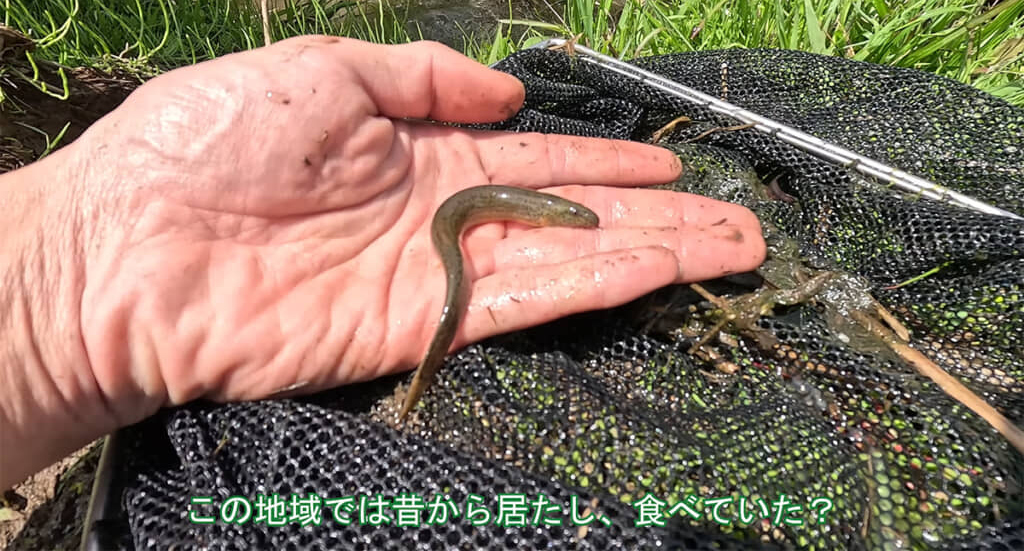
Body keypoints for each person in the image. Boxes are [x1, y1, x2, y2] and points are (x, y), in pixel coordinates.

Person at [0, 36, 766, 490]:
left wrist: (67, 276)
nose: (567, 216)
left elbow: (517, 210)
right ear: (543, 212)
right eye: (566, 212)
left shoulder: (516, 206)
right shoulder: (496, 212)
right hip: (456, 219)